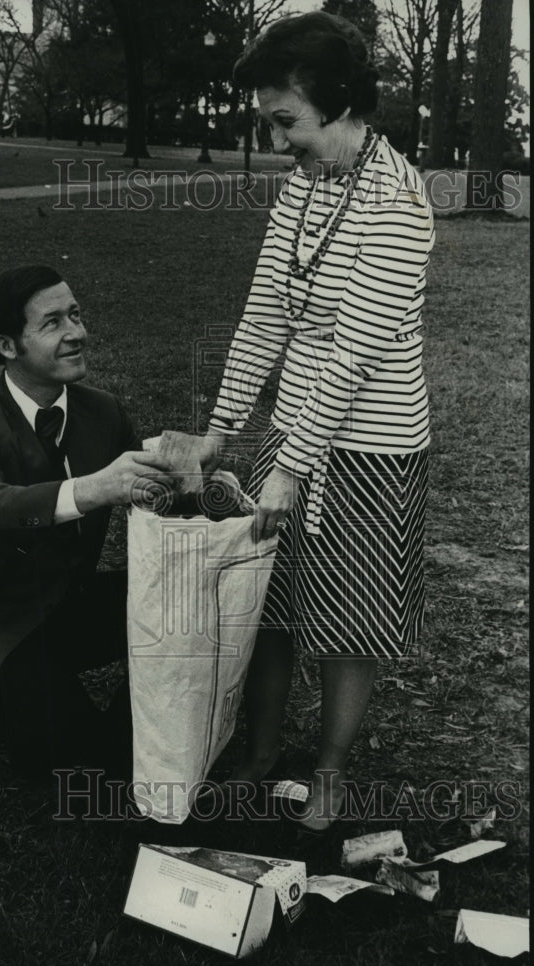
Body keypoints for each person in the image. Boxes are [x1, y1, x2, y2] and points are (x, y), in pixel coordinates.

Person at [198, 12, 435, 831]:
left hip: (369, 447)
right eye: (270, 123)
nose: (277, 141)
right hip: (294, 433)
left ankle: (329, 769)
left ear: (336, 101)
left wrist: (293, 468)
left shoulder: (400, 202)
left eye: (285, 121)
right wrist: (222, 430)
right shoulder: (302, 187)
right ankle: (260, 749)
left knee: (348, 614)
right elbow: (264, 313)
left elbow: (353, 355)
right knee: (273, 602)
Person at [0, 265, 172, 783]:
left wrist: (192, 475)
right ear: (7, 345)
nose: (77, 333)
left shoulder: (104, 412)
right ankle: (36, 716)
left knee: (190, 608)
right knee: (86, 769)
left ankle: (146, 724)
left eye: (76, 314)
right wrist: (95, 488)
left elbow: (151, 493)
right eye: (53, 323)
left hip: (73, 603)